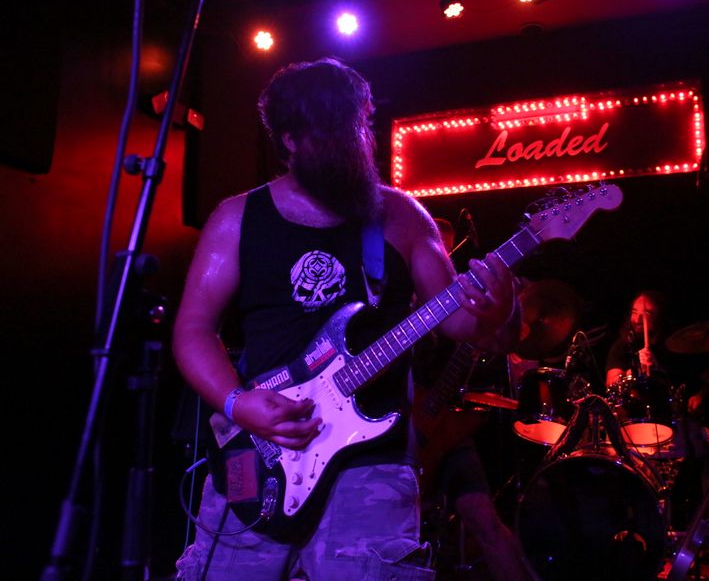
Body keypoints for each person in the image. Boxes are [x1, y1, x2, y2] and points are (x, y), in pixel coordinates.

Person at [172, 57, 519, 581]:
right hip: (262, 449)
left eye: (352, 127)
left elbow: (459, 323)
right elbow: (193, 329)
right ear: (288, 140)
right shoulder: (238, 218)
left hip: (372, 460)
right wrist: (238, 404)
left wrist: (499, 307)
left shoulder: (401, 216)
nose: (344, 143)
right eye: (325, 131)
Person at [412, 218, 532, 581]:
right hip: (400, 430)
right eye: (437, 249)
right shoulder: (397, 293)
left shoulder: (461, 294)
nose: (444, 258)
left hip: (446, 431)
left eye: (445, 251)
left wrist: (508, 305)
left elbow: (500, 341)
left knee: (485, 520)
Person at [604, 291, 709, 529]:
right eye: (635, 312)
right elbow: (612, 384)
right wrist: (634, 370)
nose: (639, 318)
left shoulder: (675, 347)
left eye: (647, 313)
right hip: (637, 424)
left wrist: (700, 396)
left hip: (674, 421)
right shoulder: (622, 347)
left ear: (659, 317)